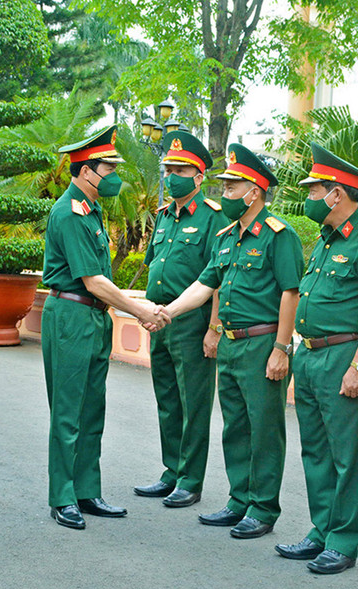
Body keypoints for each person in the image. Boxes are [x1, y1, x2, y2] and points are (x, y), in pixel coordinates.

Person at [155, 144, 303, 538]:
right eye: (224, 186)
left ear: (254, 191)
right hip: (233, 344)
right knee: (235, 426)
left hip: (262, 343)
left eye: (233, 187)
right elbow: (205, 285)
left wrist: (281, 348)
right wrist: (168, 312)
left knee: (264, 428)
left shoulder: (278, 235)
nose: (225, 193)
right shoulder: (226, 237)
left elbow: (291, 292)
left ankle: (263, 507)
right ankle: (240, 500)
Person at [274, 143, 358, 573]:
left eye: (315, 188)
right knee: (317, 451)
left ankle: (343, 541)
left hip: (344, 355)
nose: (308, 196)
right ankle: (320, 529)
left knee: (346, 454)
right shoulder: (327, 240)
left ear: (337, 193)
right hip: (310, 355)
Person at [42, 125, 169, 530]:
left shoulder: (92, 210)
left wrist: (142, 303)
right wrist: (141, 312)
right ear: (84, 171)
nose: (114, 175)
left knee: (92, 408)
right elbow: (92, 281)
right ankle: (63, 496)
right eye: (107, 167)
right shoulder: (70, 212)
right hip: (71, 316)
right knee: (68, 412)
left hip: (93, 317)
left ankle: (86, 490)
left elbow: (103, 281)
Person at [133, 131, 229, 508]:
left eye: (180, 169)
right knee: (168, 399)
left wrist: (214, 328)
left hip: (192, 321)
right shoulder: (164, 216)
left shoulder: (213, 218)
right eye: (168, 168)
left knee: (194, 402)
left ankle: (190, 479)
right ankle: (170, 471)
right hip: (159, 319)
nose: (171, 176)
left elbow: (216, 278)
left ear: (199, 176)